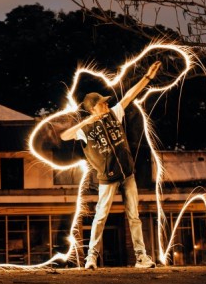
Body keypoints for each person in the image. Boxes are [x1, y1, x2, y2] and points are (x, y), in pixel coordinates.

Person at [60, 60, 162, 270]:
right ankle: (91, 258)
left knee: (134, 216)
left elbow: (129, 96)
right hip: (107, 178)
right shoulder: (85, 130)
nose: (106, 105)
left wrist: (148, 77)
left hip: (128, 174)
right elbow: (64, 136)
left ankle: (141, 257)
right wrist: (85, 123)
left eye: (106, 103)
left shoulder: (114, 114)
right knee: (100, 217)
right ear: (92, 109)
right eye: (102, 104)